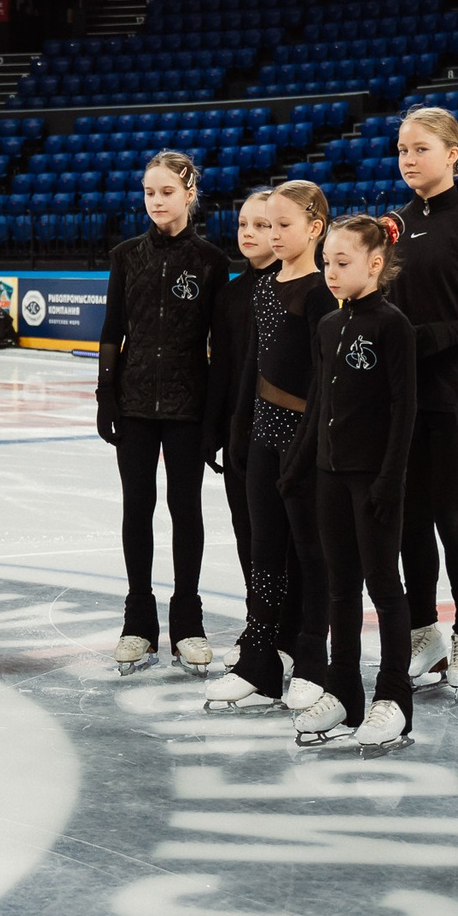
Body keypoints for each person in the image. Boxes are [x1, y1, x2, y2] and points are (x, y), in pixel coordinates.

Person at [285, 215, 419, 749]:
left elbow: (404, 409)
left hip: (372, 481)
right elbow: (318, 402)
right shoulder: (327, 326)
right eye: (327, 263)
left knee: (383, 587)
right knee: (340, 587)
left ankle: (394, 697)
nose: (331, 272)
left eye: (342, 263)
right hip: (329, 477)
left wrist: (391, 479)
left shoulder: (393, 326)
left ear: (375, 264)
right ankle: (343, 689)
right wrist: (299, 465)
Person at [205, 180, 337, 712]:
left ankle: (310, 659)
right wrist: (239, 429)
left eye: (284, 225)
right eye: (269, 225)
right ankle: (259, 662)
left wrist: (307, 446)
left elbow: (325, 382)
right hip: (262, 437)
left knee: (310, 554)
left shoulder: (321, 292)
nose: (274, 234)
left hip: (303, 443)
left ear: (315, 227)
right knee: (263, 552)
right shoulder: (264, 287)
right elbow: (253, 367)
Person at [98, 151, 227, 674]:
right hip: (133, 404)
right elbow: (112, 330)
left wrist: (214, 417)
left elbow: (220, 347)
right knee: (137, 507)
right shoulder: (126, 256)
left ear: (189, 194)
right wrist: (106, 394)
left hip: (187, 406)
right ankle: (138, 623)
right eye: (149, 192)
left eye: (167, 192)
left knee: (185, 509)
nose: (156, 201)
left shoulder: (212, 261)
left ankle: (188, 623)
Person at [383, 106, 458, 696]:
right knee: (409, 522)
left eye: (421, 148)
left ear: (453, 154)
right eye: (403, 149)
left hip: (455, 398)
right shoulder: (392, 227)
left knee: (454, 520)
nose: (408, 159)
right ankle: (423, 631)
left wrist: (434, 337)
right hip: (402, 400)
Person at [210, 187, 279, 596]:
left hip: (284, 431)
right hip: (239, 431)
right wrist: (213, 430)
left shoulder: (303, 288)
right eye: (242, 224)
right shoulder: (230, 294)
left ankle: (291, 620)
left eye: (261, 225)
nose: (248, 232)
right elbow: (221, 367)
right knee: (245, 527)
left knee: (281, 532)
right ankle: (259, 613)